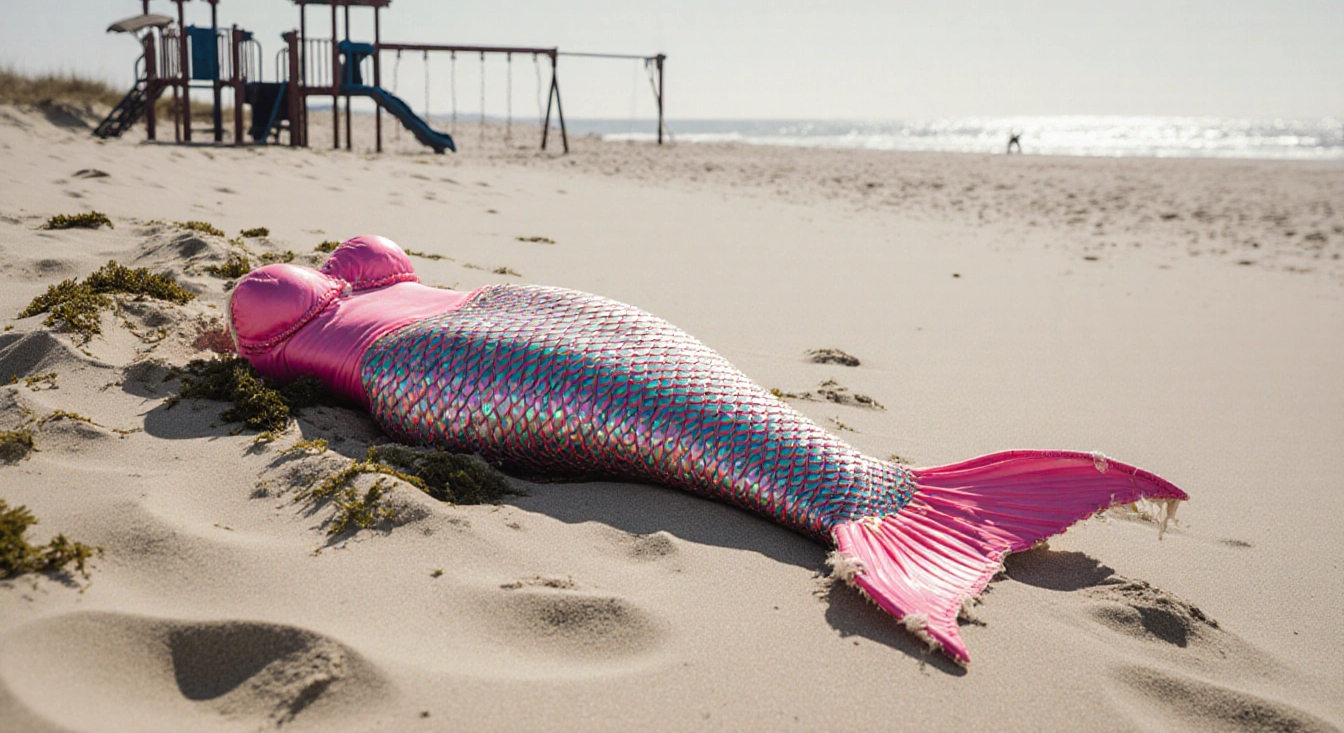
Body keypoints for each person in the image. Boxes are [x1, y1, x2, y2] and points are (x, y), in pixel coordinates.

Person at [228, 235, 1186, 665]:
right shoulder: (325, 344)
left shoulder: (304, 309)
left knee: (693, 400)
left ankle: (877, 498)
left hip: (503, 324)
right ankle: (882, 510)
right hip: (443, 357)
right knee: (661, 410)